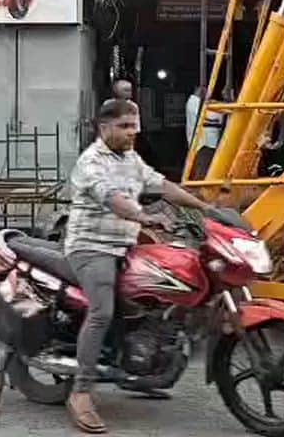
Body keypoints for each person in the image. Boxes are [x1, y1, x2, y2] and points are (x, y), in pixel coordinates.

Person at [63, 98, 217, 434]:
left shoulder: (131, 158)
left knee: (164, 290)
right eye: (125, 126)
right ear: (104, 127)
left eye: (135, 125)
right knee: (102, 311)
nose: (133, 132)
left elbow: (162, 185)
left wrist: (205, 208)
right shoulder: (91, 162)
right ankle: (81, 392)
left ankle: (141, 370)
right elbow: (112, 198)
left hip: (127, 244)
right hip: (92, 249)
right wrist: (143, 215)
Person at [184, 84, 223, 179]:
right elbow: (211, 116)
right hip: (204, 144)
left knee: (204, 171)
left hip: (205, 143)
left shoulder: (196, 103)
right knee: (203, 173)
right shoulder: (194, 102)